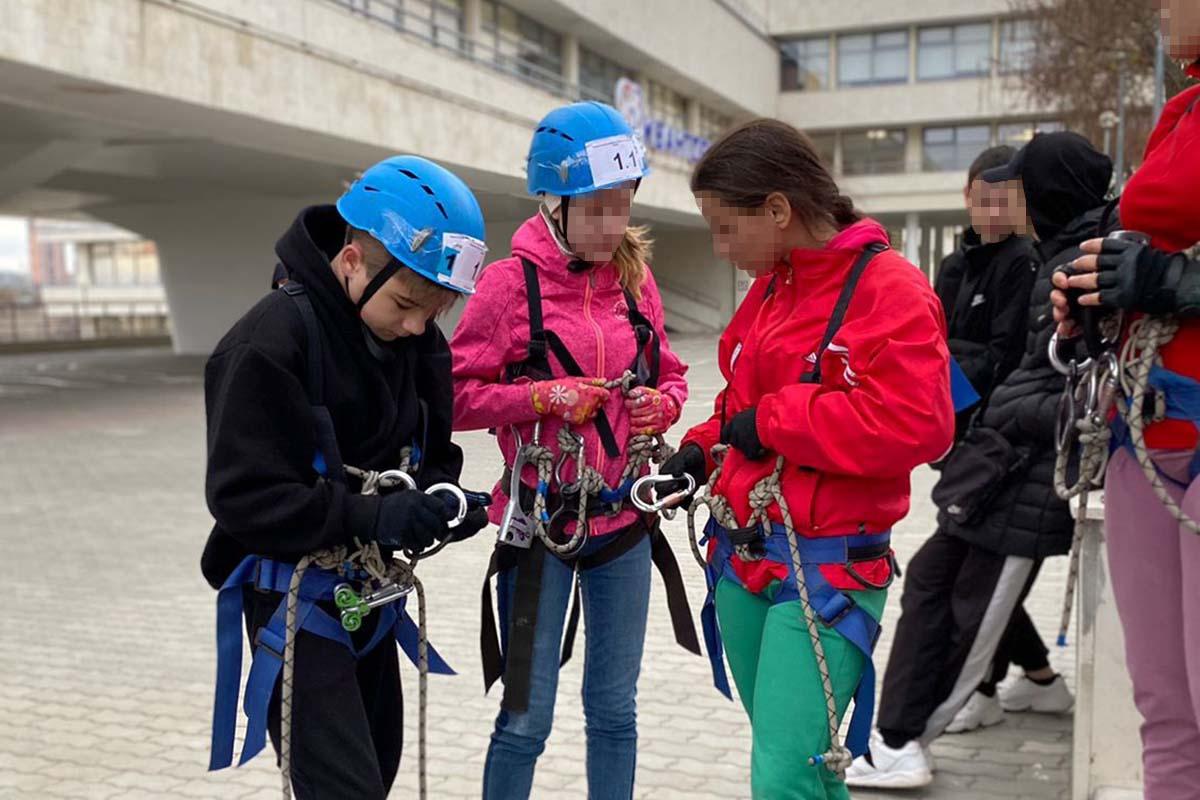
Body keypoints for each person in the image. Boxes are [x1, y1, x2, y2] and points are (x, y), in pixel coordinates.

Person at [663, 117, 953, 800]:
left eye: (726, 227)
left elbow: (920, 425)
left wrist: (775, 419)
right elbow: (739, 404)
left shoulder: (892, 292)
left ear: (778, 209)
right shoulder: (771, 288)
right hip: (742, 559)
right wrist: (698, 453)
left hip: (827, 570)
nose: (719, 245)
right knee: (797, 764)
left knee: (784, 776)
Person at [202, 155, 492, 799]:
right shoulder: (268, 344)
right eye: (408, 304)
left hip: (368, 596)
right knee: (344, 790)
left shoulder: (419, 342)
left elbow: (434, 452)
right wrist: (372, 516)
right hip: (293, 600)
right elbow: (242, 497)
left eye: (436, 311)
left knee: (376, 775)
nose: (419, 326)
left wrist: (440, 505)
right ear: (354, 261)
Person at [848, 131, 1114, 790]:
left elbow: (1043, 376)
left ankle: (907, 739)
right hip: (986, 454)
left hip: (1016, 466)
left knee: (977, 608)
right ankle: (901, 736)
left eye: (1015, 193)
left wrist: (987, 412)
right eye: (988, 195)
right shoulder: (1027, 261)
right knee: (936, 581)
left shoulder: (1070, 264)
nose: (1002, 207)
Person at [450, 100, 696, 800]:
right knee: (526, 720)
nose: (613, 225)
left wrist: (664, 403)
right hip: (538, 528)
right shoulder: (506, 286)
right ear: (553, 203)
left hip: (622, 524)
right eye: (596, 209)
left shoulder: (634, 279)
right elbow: (453, 397)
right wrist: (542, 398)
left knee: (615, 713)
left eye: (622, 205)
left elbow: (669, 372)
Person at [1049, 4, 1200, 796]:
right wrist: (1104, 300)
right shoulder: (1179, 110)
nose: (1160, 7)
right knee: (1162, 703)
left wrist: (1173, 281)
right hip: (1143, 420)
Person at [934, 144, 1038, 442]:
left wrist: (947, 391)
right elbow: (929, 344)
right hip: (948, 422)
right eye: (984, 200)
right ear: (968, 195)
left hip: (993, 425)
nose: (992, 212)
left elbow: (1004, 356)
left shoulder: (1023, 260)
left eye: (1003, 201)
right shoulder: (952, 266)